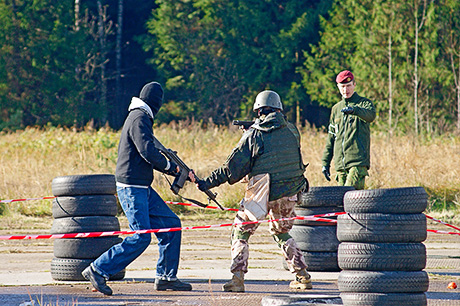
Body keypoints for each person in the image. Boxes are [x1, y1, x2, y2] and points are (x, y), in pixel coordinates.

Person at [82, 82, 193, 295]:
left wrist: (178, 171)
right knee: (141, 236)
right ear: (156, 103)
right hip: (132, 187)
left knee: (171, 224)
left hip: (142, 186)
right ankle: (98, 269)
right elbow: (147, 152)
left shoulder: (140, 116)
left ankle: (166, 278)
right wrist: (171, 167)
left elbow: (149, 153)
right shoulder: (139, 118)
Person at [195, 90, 312, 292]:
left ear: (258, 111)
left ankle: (237, 278)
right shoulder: (293, 130)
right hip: (290, 191)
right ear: (279, 108)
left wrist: (207, 183)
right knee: (281, 232)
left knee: (241, 230)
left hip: (263, 192)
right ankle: (301, 276)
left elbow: (231, 169)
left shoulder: (255, 135)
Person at [321, 70, 376, 190]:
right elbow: (331, 138)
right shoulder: (336, 109)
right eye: (342, 87)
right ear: (338, 87)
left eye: (348, 86)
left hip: (357, 163)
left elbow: (371, 116)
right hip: (340, 166)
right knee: (341, 203)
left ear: (354, 84)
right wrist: (325, 163)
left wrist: (355, 110)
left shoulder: (364, 103)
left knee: (349, 197)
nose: (346, 90)